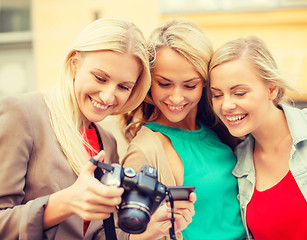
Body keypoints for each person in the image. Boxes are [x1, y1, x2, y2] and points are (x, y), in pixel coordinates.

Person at [0, 18, 194, 240]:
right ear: (75, 63)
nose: (108, 96)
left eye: (123, 87)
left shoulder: (107, 141)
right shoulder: (22, 114)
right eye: (100, 78)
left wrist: (151, 229)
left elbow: (99, 233)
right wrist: (63, 203)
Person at [209, 36, 307, 240]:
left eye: (239, 93)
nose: (226, 105)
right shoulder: (238, 163)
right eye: (217, 95)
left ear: (271, 89)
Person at [121, 18, 246, 240]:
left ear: (205, 83)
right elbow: (131, 234)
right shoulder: (145, 150)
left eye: (190, 85)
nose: (177, 97)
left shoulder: (221, 130)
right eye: (164, 83)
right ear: (149, 81)